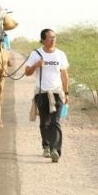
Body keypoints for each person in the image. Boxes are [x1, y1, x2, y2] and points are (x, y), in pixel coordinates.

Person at [25, 29, 69, 163]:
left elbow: (64, 75)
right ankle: (46, 146)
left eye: (54, 37)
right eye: (50, 38)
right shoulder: (36, 54)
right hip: (42, 93)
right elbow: (27, 72)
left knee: (55, 121)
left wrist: (66, 93)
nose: (53, 40)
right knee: (45, 122)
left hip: (57, 93)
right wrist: (36, 65)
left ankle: (55, 150)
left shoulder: (60, 54)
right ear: (43, 40)